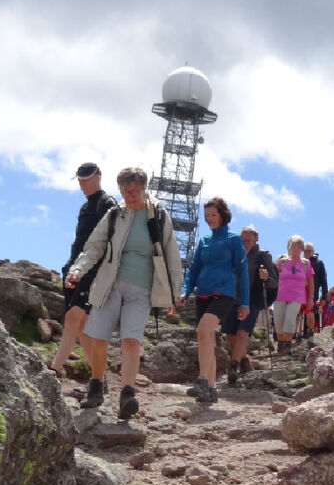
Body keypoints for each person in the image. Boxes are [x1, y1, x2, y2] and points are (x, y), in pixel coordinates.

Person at [65, 166, 183, 419]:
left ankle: (127, 394)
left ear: (143, 189)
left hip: (141, 289)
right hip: (109, 284)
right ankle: (97, 384)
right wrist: (78, 270)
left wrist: (174, 293)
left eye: (134, 191)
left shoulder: (159, 217)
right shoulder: (114, 215)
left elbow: (172, 255)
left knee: (131, 340)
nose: (129, 196)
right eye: (124, 191)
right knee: (98, 340)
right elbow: (93, 247)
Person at [177, 198, 249, 404]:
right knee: (205, 336)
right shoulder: (204, 240)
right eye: (207, 215)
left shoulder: (234, 239)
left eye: (213, 215)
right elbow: (193, 270)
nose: (209, 219)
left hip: (224, 293)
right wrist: (185, 291)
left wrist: (244, 303)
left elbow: (242, 273)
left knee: (203, 330)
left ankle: (201, 379)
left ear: (223, 215)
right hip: (203, 294)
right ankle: (210, 388)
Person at [51, 162, 117, 378]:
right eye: (79, 180)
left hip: (93, 271)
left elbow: (109, 243)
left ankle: (53, 371)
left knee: (72, 318)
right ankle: (100, 378)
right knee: (81, 328)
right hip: (74, 268)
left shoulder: (107, 203)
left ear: (98, 177)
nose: (82, 184)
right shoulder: (85, 207)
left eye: (86, 179)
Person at [225, 224, 276, 384]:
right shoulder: (234, 254)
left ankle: (233, 367)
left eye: (248, 240)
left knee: (242, 332)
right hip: (232, 298)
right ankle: (245, 360)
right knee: (230, 333)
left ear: (256, 240)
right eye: (243, 239)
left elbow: (274, 281)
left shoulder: (263, 256)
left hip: (252, 300)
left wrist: (266, 277)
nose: (245, 242)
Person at [272, 235, 314, 355]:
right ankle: (281, 344)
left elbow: (311, 283)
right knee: (279, 324)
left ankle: (287, 347)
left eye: (298, 247)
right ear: (289, 248)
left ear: (301, 249)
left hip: (296, 297)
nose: (296, 249)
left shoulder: (306, 264)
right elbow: (273, 277)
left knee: (290, 320)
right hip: (280, 295)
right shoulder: (282, 262)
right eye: (293, 247)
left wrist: (311, 298)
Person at [302, 242, 328, 338]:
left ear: (313, 251)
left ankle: (309, 334)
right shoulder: (299, 262)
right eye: (305, 251)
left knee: (310, 312)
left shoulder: (319, 263)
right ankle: (299, 336)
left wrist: (324, 296)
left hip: (312, 293)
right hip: (299, 292)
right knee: (300, 313)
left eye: (309, 251)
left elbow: (323, 281)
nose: (307, 253)